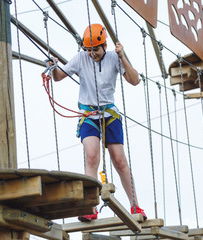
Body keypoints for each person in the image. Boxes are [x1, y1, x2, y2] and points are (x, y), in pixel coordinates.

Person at [50, 23, 146, 221]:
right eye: (88, 50)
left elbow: (135, 80)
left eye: (95, 49)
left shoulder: (113, 58)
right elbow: (58, 77)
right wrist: (53, 66)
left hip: (110, 114)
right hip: (88, 116)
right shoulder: (80, 58)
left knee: (119, 160)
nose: (92, 53)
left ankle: (135, 206)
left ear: (105, 46)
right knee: (91, 156)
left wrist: (122, 56)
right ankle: (90, 207)